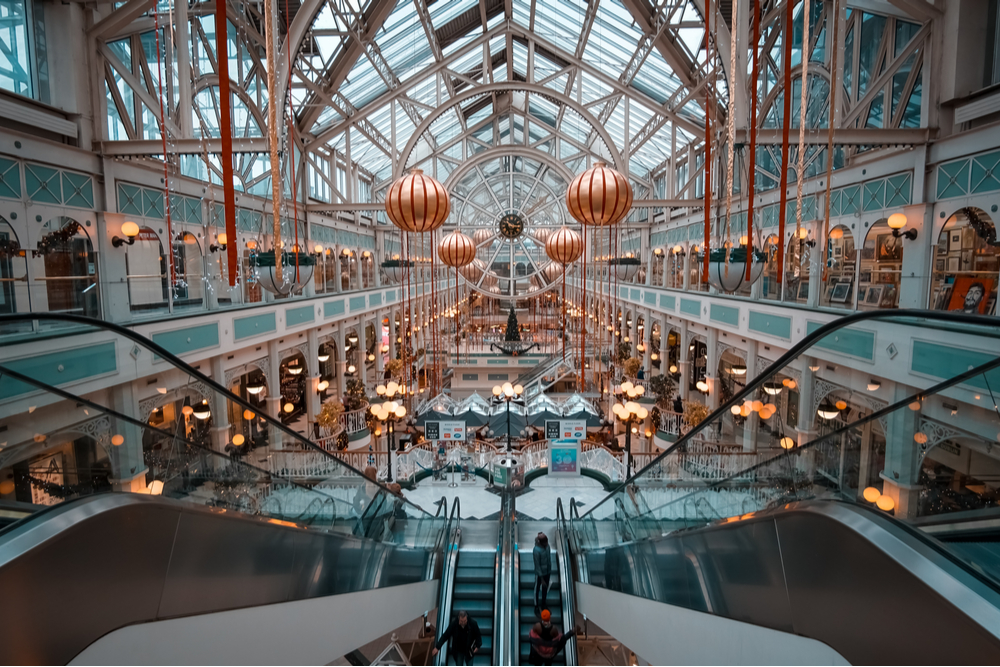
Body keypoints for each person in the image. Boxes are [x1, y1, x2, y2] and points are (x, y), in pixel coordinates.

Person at [533, 532, 551, 615]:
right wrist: (542, 578)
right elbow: (537, 565)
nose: (547, 543)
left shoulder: (547, 547)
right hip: (540, 574)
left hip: (547, 571)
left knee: (545, 589)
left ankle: (544, 603)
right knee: (537, 588)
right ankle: (536, 606)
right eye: (545, 542)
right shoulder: (536, 550)